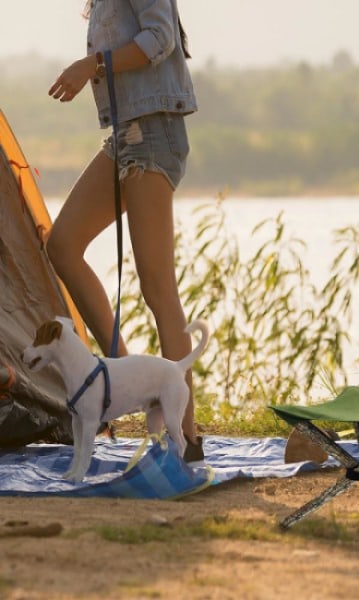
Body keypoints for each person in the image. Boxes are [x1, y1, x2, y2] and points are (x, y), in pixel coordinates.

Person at [45, 0, 204, 461]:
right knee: (63, 245)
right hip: (126, 135)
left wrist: (91, 64)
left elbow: (160, 38)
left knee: (158, 288)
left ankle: (188, 441)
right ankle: (130, 381)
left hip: (154, 133)